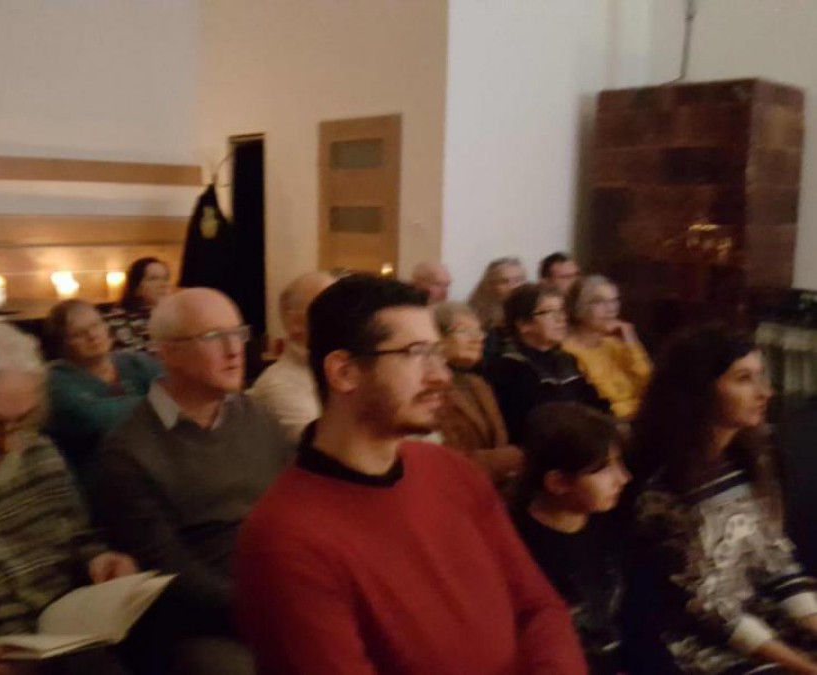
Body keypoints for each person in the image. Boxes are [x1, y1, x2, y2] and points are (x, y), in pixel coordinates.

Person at [235, 274, 587, 675]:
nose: (441, 376)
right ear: (344, 372)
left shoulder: (451, 471)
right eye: (416, 353)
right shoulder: (286, 540)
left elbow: (538, 607)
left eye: (437, 352)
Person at [0, 317, 137, 675]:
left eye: (20, 421)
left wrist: (98, 560)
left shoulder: (37, 453)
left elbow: (77, 538)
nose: (6, 444)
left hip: (72, 657)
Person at [94, 288, 293, 675]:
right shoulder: (129, 450)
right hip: (209, 619)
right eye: (214, 337)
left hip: (287, 586)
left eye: (238, 333)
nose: (234, 350)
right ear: (168, 353)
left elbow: (302, 506)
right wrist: (267, 612)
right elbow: (170, 572)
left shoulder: (254, 415)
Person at [625, 324, 817, 675]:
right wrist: (803, 666)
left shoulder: (751, 460)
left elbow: (777, 563)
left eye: (760, 376)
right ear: (699, 391)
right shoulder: (661, 493)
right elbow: (712, 612)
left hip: (758, 617)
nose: (765, 392)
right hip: (697, 644)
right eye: (744, 379)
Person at [514, 402, 631, 675]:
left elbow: (635, 617)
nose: (624, 478)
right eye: (603, 469)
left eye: (620, 463)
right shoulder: (520, 549)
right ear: (557, 483)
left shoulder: (611, 524)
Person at [44, 299, 161, 491]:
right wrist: (161, 403)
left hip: (155, 469)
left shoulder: (135, 363)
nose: (92, 336)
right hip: (100, 484)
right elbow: (96, 418)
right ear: (62, 344)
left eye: (96, 325)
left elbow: (178, 393)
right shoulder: (54, 381)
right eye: (78, 333)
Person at [487, 283, 610, 444]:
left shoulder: (566, 359)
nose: (561, 319)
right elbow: (530, 425)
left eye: (561, 310)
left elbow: (593, 404)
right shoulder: (510, 367)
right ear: (524, 324)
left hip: (581, 438)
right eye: (549, 312)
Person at [433, 301, 523, 490]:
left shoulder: (478, 384)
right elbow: (445, 459)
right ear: (437, 338)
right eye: (464, 331)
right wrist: (516, 457)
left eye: (479, 331)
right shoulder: (431, 389)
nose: (477, 339)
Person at [248, 271, 335, 441]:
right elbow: (328, 449)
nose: (347, 319)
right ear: (295, 323)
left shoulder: (339, 372)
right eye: (331, 309)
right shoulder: (278, 386)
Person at [562, 276, 651, 420]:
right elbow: (595, 407)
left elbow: (649, 385)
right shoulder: (567, 352)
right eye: (599, 302)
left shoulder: (616, 344)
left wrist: (632, 343)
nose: (611, 309)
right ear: (579, 307)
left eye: (614, 301)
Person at [468, 256, 528, 363]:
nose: (512, 286)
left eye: (518, 280)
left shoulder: (534, 313)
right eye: (504, 281)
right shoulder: (476, 317)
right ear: (490, 286)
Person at [106, 257, 172, 352]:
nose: (163, 285)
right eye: (154, 279)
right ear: (137, 288)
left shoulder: (177, 317)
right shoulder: (118, 321)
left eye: (165, 279)